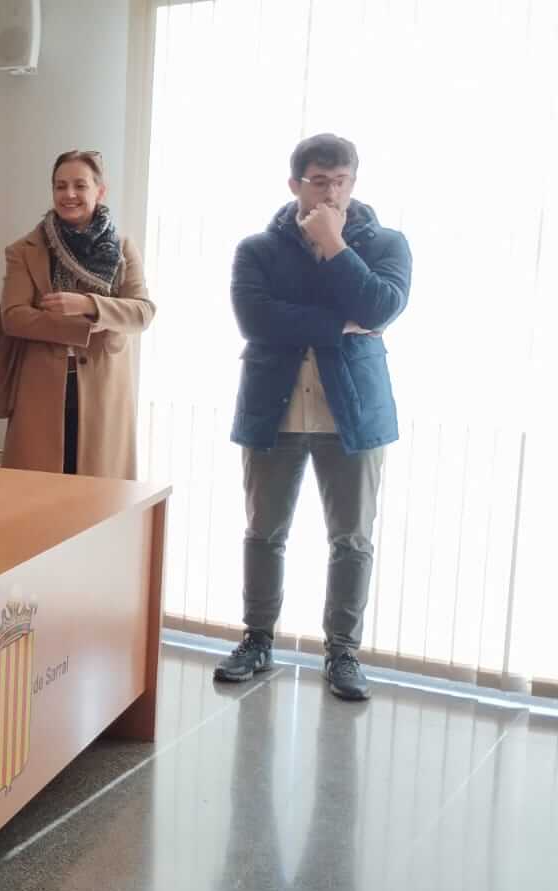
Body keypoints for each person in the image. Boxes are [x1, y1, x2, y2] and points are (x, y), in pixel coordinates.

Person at [213, 134, 411, 701]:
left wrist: (334, 245)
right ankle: (257, 640)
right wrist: (337, 324)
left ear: (354, 182)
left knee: (352, 538)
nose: (331, 192)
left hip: (353, 413)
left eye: (341, 181)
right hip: (272, 408)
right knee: (264, 532)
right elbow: (256, 319)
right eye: (319, 181)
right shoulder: (258, 248)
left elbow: (380, 306)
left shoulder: (386, 243)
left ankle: (343, 652)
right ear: (294, 183)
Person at [0, 150, 154, 477]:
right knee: (38, 494)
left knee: (99, 494)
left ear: (100, 191)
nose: (69, 194)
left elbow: (142, 312)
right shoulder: (24, 249)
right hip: (40, 389)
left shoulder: (122, 247)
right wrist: (81, 328)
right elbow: (14, 316)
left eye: (79, 185)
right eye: (60, 186)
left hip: (105, 390)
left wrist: (88, 305)